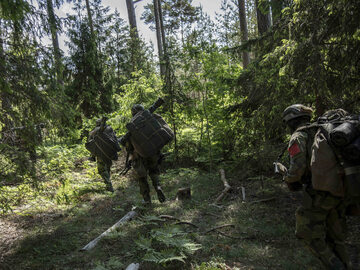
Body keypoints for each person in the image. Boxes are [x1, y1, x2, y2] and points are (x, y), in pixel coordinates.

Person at [276, 104, 351, 269]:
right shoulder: (322, 131)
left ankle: (336, 266)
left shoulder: (298, 136)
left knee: (306, 233)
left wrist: (285, 176)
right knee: (336, 237)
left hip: (319, 193)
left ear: (290, 121)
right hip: (340, 190)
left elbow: (297, 169)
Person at [121, 104, 166, 205]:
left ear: (133, 113)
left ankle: (147, 200)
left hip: (139, 157)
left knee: (142, 178)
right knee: (154, 172)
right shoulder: (150, 121)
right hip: (154, 153)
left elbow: (129, 147)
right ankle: (158, 187)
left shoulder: (132, 127)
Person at [88, 118, 117, 192]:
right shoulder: (110, 129)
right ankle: (108, 186)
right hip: (110, 153)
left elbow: (91, 143)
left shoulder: (95, 130)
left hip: (100, 153)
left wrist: (93, 154)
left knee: (101, 170)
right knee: (107, 168)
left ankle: (109, 186)